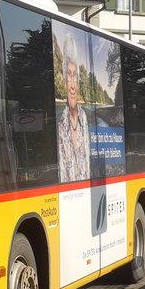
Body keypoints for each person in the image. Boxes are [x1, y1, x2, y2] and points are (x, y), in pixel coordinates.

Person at [57, 35, 90, 183]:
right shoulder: (60, 124)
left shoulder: (84, 118)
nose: (71, 85)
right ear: (64, 82)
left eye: (74, 75)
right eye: (68, 76)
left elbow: (88, 165)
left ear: (78, 82)